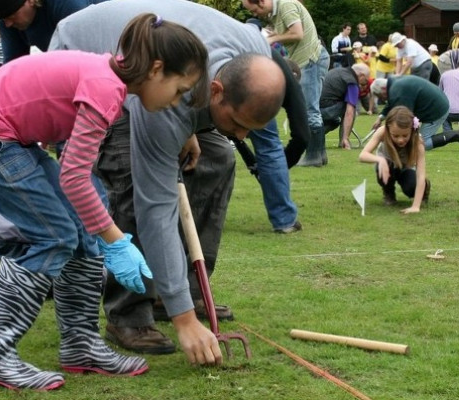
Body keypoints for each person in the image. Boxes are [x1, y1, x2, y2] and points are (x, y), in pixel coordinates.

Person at [0, 13, 209, 390]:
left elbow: (73, 161)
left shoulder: (108, 82)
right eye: (180, 89)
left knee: (86, 227)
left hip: (4, 137)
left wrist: (98, 227)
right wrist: (116, 239)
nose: (177, 102)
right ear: (156, 69)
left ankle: (81, 345)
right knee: (53, 235)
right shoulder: (105, 87)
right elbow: (72, 176)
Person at [53, 0, 289, 356]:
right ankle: (129, 314)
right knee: (129, 173)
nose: (243, 137)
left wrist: (191, 126)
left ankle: (177, 293)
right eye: (239, 125)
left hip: (168, 81)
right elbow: (156, 206)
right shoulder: (168, 102)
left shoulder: (256, 57)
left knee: (219, 158)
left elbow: (196, 108)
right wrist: (185, 323)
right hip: (95, 67)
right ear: (216, 92)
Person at [242, 0, 329, 167]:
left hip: (311, 60)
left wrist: (271, 39)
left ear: (261, 2)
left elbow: (297, 34)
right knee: (310, 108)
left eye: (253, 10)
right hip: (305, 61)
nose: (254, 14)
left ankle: (313, 156)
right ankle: (319, 155)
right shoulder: (275, 13)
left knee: (310, 109)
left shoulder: (285, 5)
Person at [371, 76, 459, 152]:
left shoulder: (397, 90)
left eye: (380, 96)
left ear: (384, 89)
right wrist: (380, 118)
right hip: (437, 103)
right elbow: (391, 103)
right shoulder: (394, 85)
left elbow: (405, 117)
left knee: (422, 143)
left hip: (436, 110)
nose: (382, 99)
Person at [0, 0, 109, 62]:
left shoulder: (66, 4)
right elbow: (13, 66)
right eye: (2, 19)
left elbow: (90, 55)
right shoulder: (7, 19)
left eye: (12, 15)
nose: (8, 24)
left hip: (112, 44)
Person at [359, 105, 429, 211]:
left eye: (405, 136)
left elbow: (421, 174)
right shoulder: (382, 132)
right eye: (395, 136)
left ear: (412, 130)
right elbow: (362, 155)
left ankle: (424, 189)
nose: (400, 140)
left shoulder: (418, 142)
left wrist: (415, 206)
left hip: (406, 168)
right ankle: (389, 193)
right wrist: (380, 160)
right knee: (383, 165)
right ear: (388, 129)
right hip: (388, 166)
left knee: (410, 187)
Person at [320, 63, 371, 150]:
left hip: (315, 110)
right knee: (351, 107)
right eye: (365, 80)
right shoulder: (352, 81)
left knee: (335, 121)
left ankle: (312, 136)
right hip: (325, 110)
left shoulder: (338, 71)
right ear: (361, 75)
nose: (364, 84)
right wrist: (345, 137)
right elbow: (349, 112)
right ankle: (344, 141)